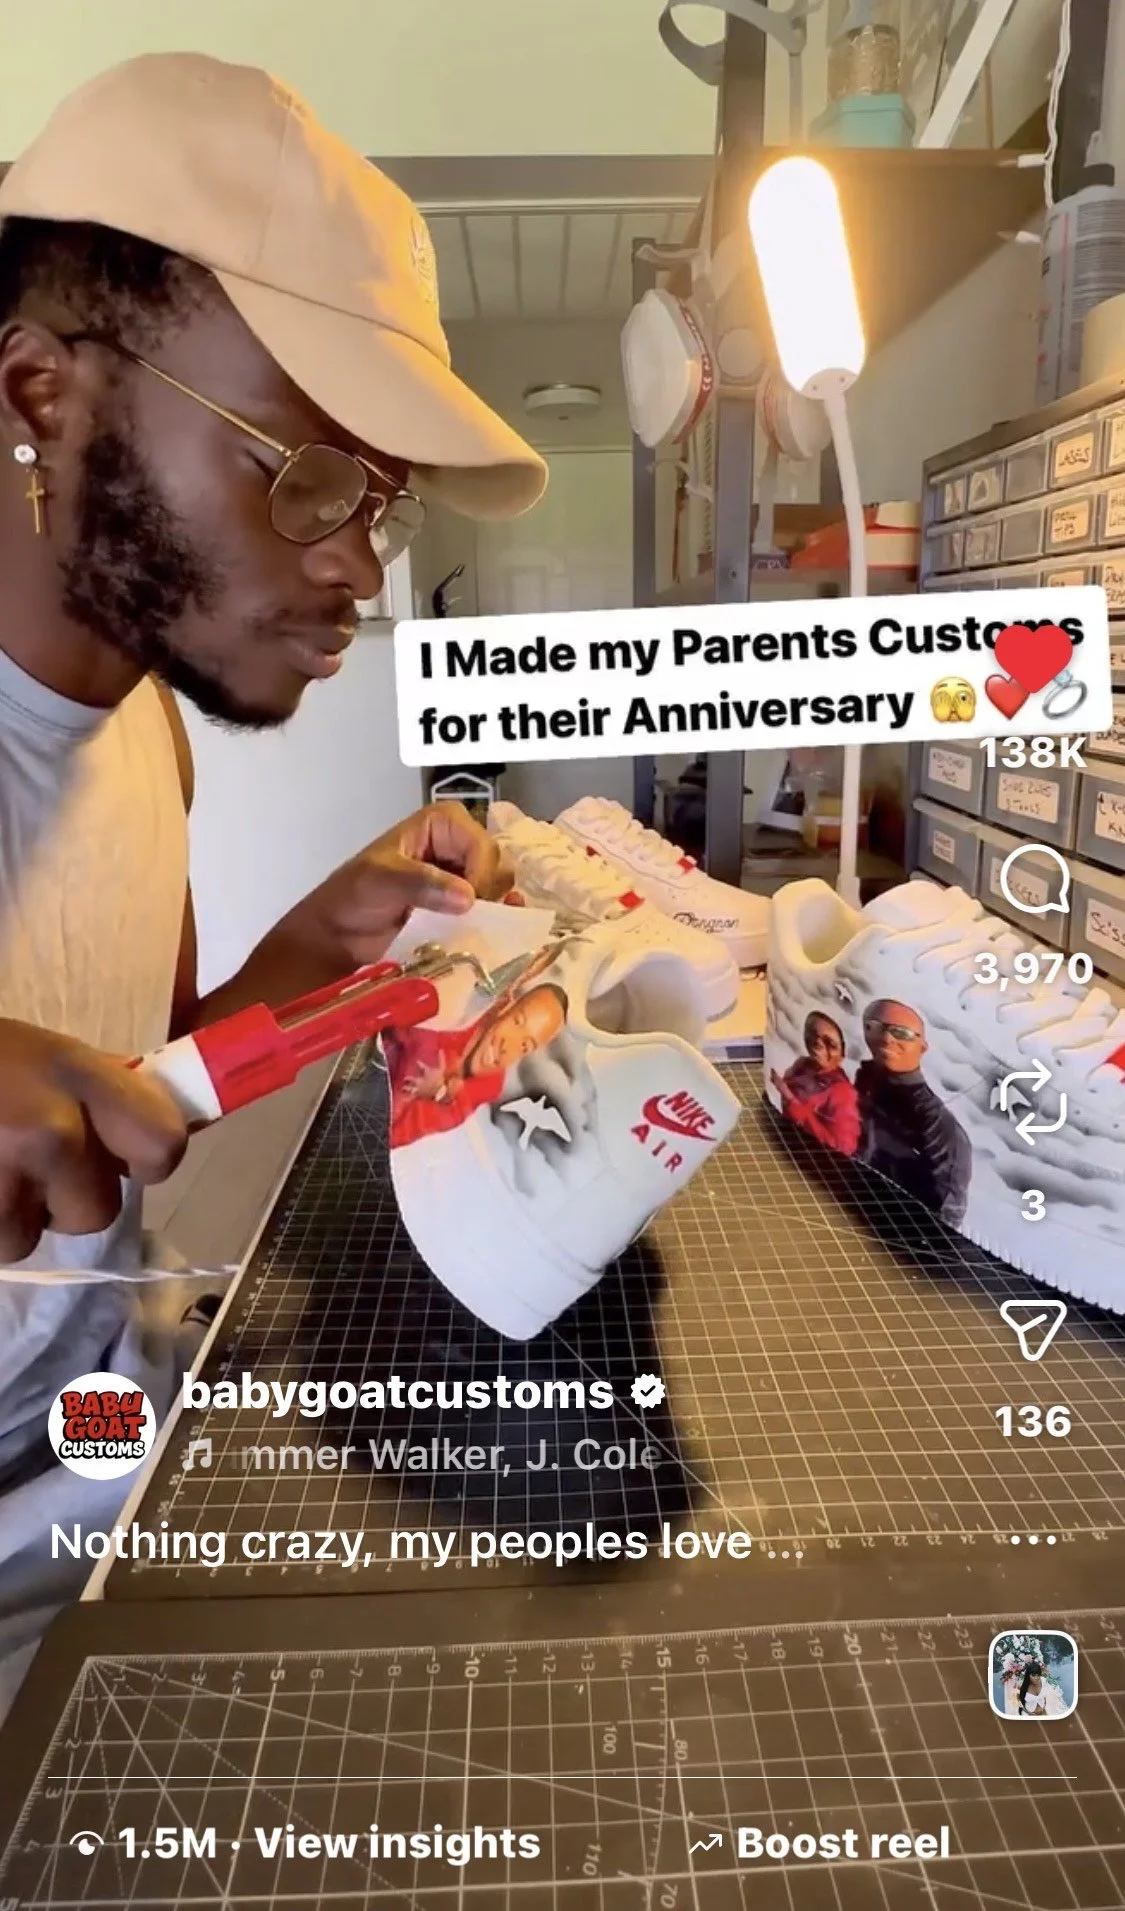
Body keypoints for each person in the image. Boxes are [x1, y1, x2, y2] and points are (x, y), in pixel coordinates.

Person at [0, 51, 547, 1712]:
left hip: (109, 1466)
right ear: (41, 396)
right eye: (305, 473)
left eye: (376, 500)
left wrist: (307, 952)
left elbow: (123, 1111)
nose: (354, 571)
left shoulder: (143, 737)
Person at [387, 968, 568, 1147]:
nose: (506, 1047)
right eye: (517, 1021)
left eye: (525, 1046)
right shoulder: (465, 1008)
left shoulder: (490, 1084)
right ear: (505, 1006)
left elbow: (392, 1136)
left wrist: (436, 1096)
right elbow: (405, 1021)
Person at [854, 999, 972, 1226]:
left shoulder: (936, 1123)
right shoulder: (864, 1086)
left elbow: (948, 1213)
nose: (888, 1038)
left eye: (903, 1033)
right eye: (876, 1027)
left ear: (923, 1047)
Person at [770, 1011, 860, 1156]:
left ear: (842, 1052)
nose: (818, 1044)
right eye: (812, 1035)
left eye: (830, 1043)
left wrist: (789, 1097)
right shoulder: (802, 1065)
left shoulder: (843, 1093)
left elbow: (843, 1148)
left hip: (814, 1157)